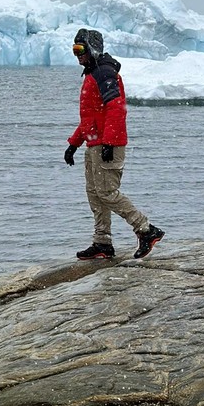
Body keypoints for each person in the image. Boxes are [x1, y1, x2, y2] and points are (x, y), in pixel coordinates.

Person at [64, 27, 164, 260]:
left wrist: (109, 142)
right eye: (74, 50)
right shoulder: (92, 73)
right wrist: (74, 144)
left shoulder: (104, 73)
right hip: (94, 145)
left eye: (80, 49)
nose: (77, 55)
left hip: (107, 145)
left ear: (92, 49)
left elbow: (115, 109)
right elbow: (91, 118)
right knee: (95, 194)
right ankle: (103, 243)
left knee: (107, 193)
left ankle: (146, 230)